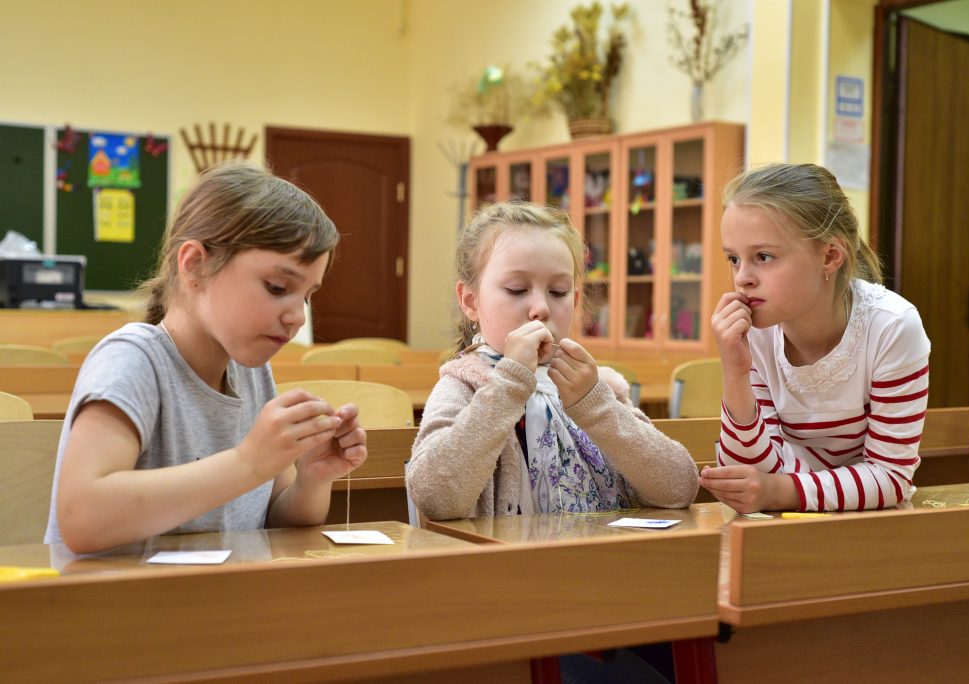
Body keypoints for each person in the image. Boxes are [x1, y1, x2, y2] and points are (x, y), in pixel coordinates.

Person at [44, 161, 367, 554]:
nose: (298, 316)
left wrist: (312, 480)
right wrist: (248, 463)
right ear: (195, 265)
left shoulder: (253, 375)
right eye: (278, 286)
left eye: (308, 296)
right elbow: (82, 518)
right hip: (114, 609)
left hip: (212, 605)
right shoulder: (133, 360)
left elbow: (277, 524)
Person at [407, 201, 698, 521]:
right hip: (505, 567)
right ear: (470, 301)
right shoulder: (464, 385)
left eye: (558, 292)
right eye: (517, 289)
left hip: (605, 561)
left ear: (574, 301)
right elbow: (434, 497)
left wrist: (597, 408)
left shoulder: (596, 387)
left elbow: (679, 487)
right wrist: (509, 385)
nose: (540, 307)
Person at [700, 163, 930, 513]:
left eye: (763, 257)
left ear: (830, 256)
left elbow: (889, 477)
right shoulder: (758, 333)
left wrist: (779, 490)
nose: (742, 278)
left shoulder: (892, 327)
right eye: (734, 259)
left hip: (871, 527)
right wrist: (735, 371)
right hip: (785, 524)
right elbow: (746, 473)